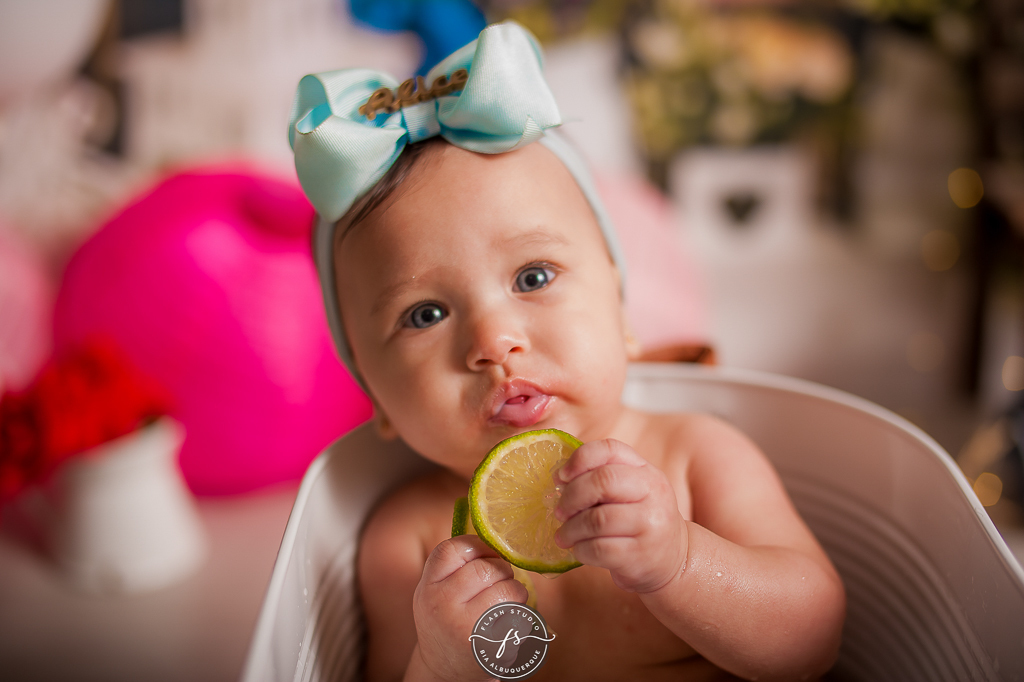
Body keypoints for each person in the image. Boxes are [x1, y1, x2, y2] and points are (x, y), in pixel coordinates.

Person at [289, 22, 845, 682]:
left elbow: (812, 642)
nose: (495, 343)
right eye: (426, 314)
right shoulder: (407, 544)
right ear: (374, 394)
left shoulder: (698, 457)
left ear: (623, 314)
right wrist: (441, 663)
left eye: (533, 276)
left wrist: (680, 561)